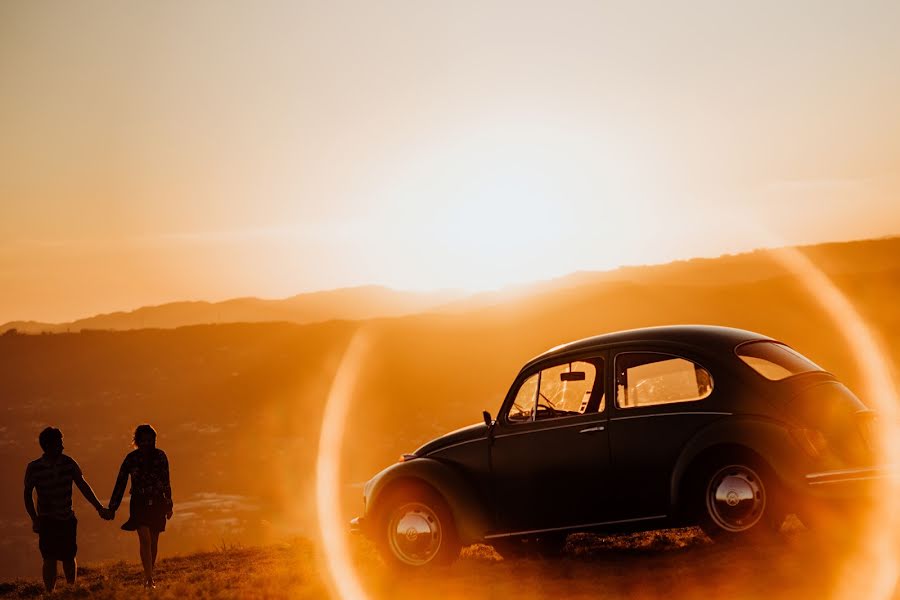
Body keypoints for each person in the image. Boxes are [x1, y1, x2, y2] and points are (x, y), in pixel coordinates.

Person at [23, 427, 113, 593]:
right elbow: (27, 495)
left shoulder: (69, 463)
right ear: (48, 446)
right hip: (47, 520)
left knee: (68, 556)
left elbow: (83, 485)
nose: (62, 447)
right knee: (49, 558)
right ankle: (50, 593)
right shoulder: (34, 468)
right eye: (59, 444)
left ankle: (71, 590)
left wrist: (99, 507)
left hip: (66, 518)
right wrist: (34, 519)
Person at [107, 424, 173, 589]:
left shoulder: (161, 456)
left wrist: (169, 504)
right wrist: (112, 507)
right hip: (139, 503)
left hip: (157, 502)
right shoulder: (131, 459)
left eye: (150, 440)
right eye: (143, 440)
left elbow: (166, 481)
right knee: (145, 539)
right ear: (137, 441)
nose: (146, 443)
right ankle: (149, 579)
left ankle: (149, 574)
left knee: (154, 541)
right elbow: (120, 483)